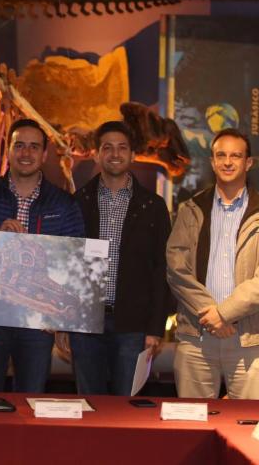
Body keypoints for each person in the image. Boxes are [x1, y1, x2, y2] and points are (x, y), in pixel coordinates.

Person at [0, 118, 84, 393]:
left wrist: (64, 323)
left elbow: (75, 258)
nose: (26, 153)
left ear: (44, 154)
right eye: (19, 145)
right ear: (9, 151)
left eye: (34, 147)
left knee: (30, 398)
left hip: (38, 322)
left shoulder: (63, 203)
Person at [167, 128, 259, 400]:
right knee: (191, 421)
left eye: (236, 156)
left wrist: (224, 314)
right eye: (221, 155)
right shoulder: (190, 211)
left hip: (249, 339)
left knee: (249, 422)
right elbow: (176, 269)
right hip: (197, 336)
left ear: (248, 163)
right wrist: (210, 314)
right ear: (212, 162)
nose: (228, 162)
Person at [70, 121, 172, 396]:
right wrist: (63, 325)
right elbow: (67, 266)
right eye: (107, 148)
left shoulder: (153, 206)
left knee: (126, 408)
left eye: (122, 148)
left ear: (133, 154)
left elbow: (162, 269)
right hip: (85, 324)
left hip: (133, 325)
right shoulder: (78, 202)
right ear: (96, 155)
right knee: (88, 404)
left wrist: (155, 328)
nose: (115, 154)